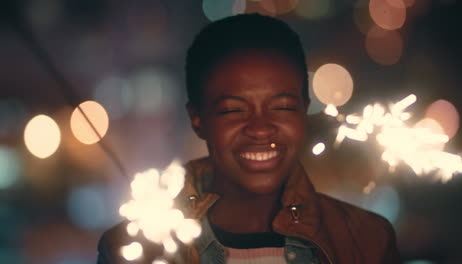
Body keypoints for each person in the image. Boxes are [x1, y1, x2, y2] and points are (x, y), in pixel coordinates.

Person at [97, 14, 401, 264]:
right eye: (233, 110)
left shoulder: (366, 240)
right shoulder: (134, 251)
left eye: (281, 107)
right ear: (197, 119)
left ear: (304, 112)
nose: (260, 128)